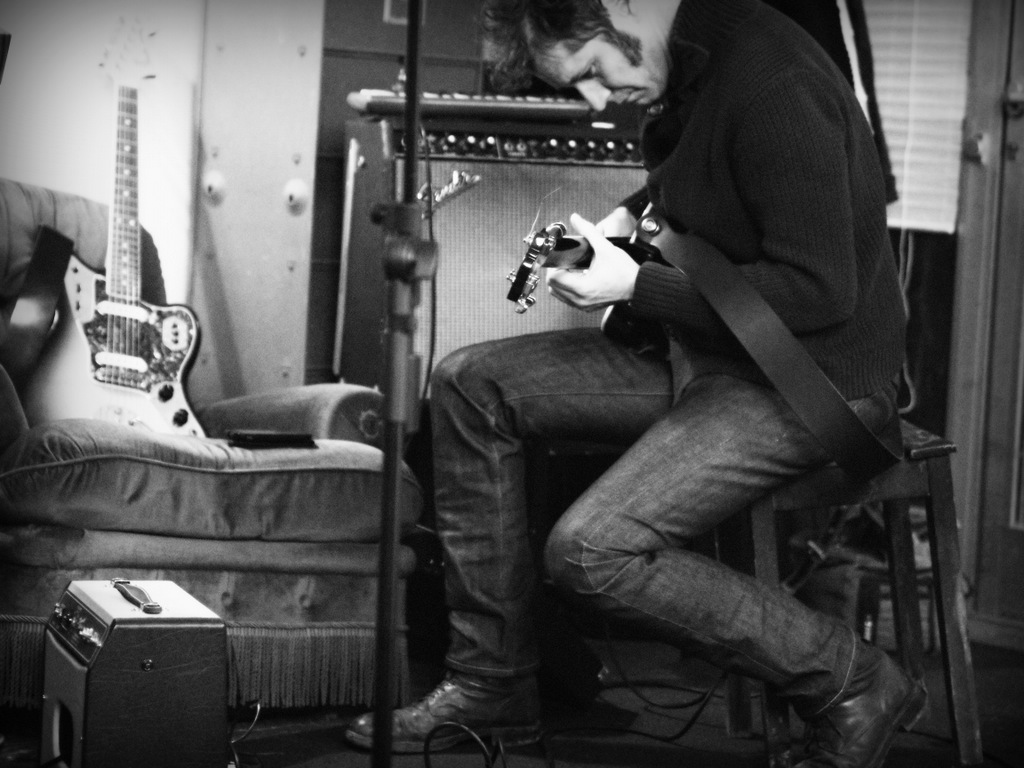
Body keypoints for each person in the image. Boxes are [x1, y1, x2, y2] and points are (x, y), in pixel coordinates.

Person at [345, 1, 925, 765]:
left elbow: (819, 294)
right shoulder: (684, 62)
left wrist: (635, 287)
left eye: (593, 70)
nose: (596, 97)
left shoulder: (774, 84)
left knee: (590, 552)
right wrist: (620, 225)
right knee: (468, 384)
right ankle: (493, 686)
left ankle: (854, 678)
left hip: (810, 381)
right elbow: (700, 192)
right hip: (709, 357)